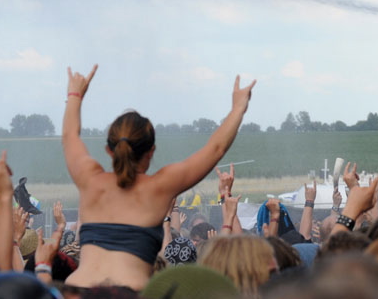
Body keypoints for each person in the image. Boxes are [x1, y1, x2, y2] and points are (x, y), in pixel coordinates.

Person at [61, 65, 256, 291]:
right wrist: (238, 108)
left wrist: (75, 95)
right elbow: (216, 148)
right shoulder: (159, 188)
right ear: (151, 151)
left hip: (78, 292)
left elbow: (69, 138)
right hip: (130, 292)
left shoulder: (89, 181)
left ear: (108, 150)